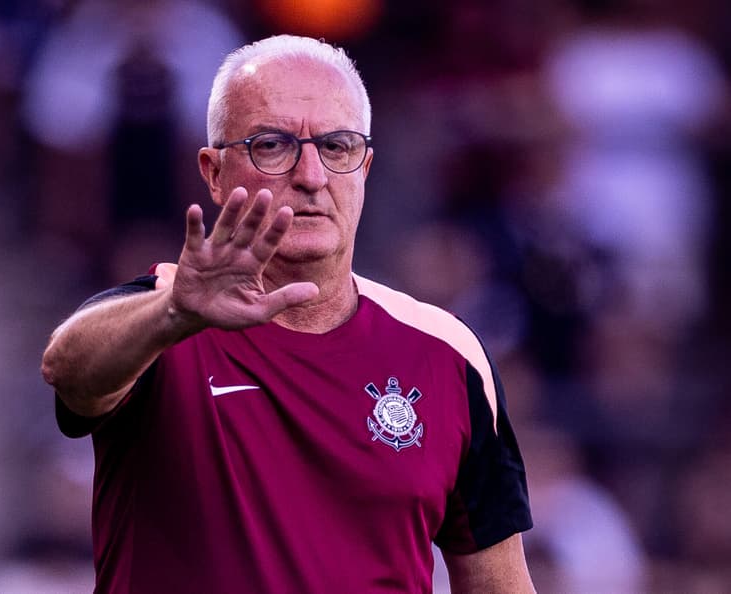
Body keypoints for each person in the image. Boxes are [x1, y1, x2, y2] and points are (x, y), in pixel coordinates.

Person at [41, 34, 535, 593]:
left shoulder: (447, 353)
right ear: (213, 170)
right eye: (273, 145)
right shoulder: (159, 319)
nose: (312, 175)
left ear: (365, 167)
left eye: (338, 146)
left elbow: (499, 585)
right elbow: (69, 373)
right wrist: (173, 314)